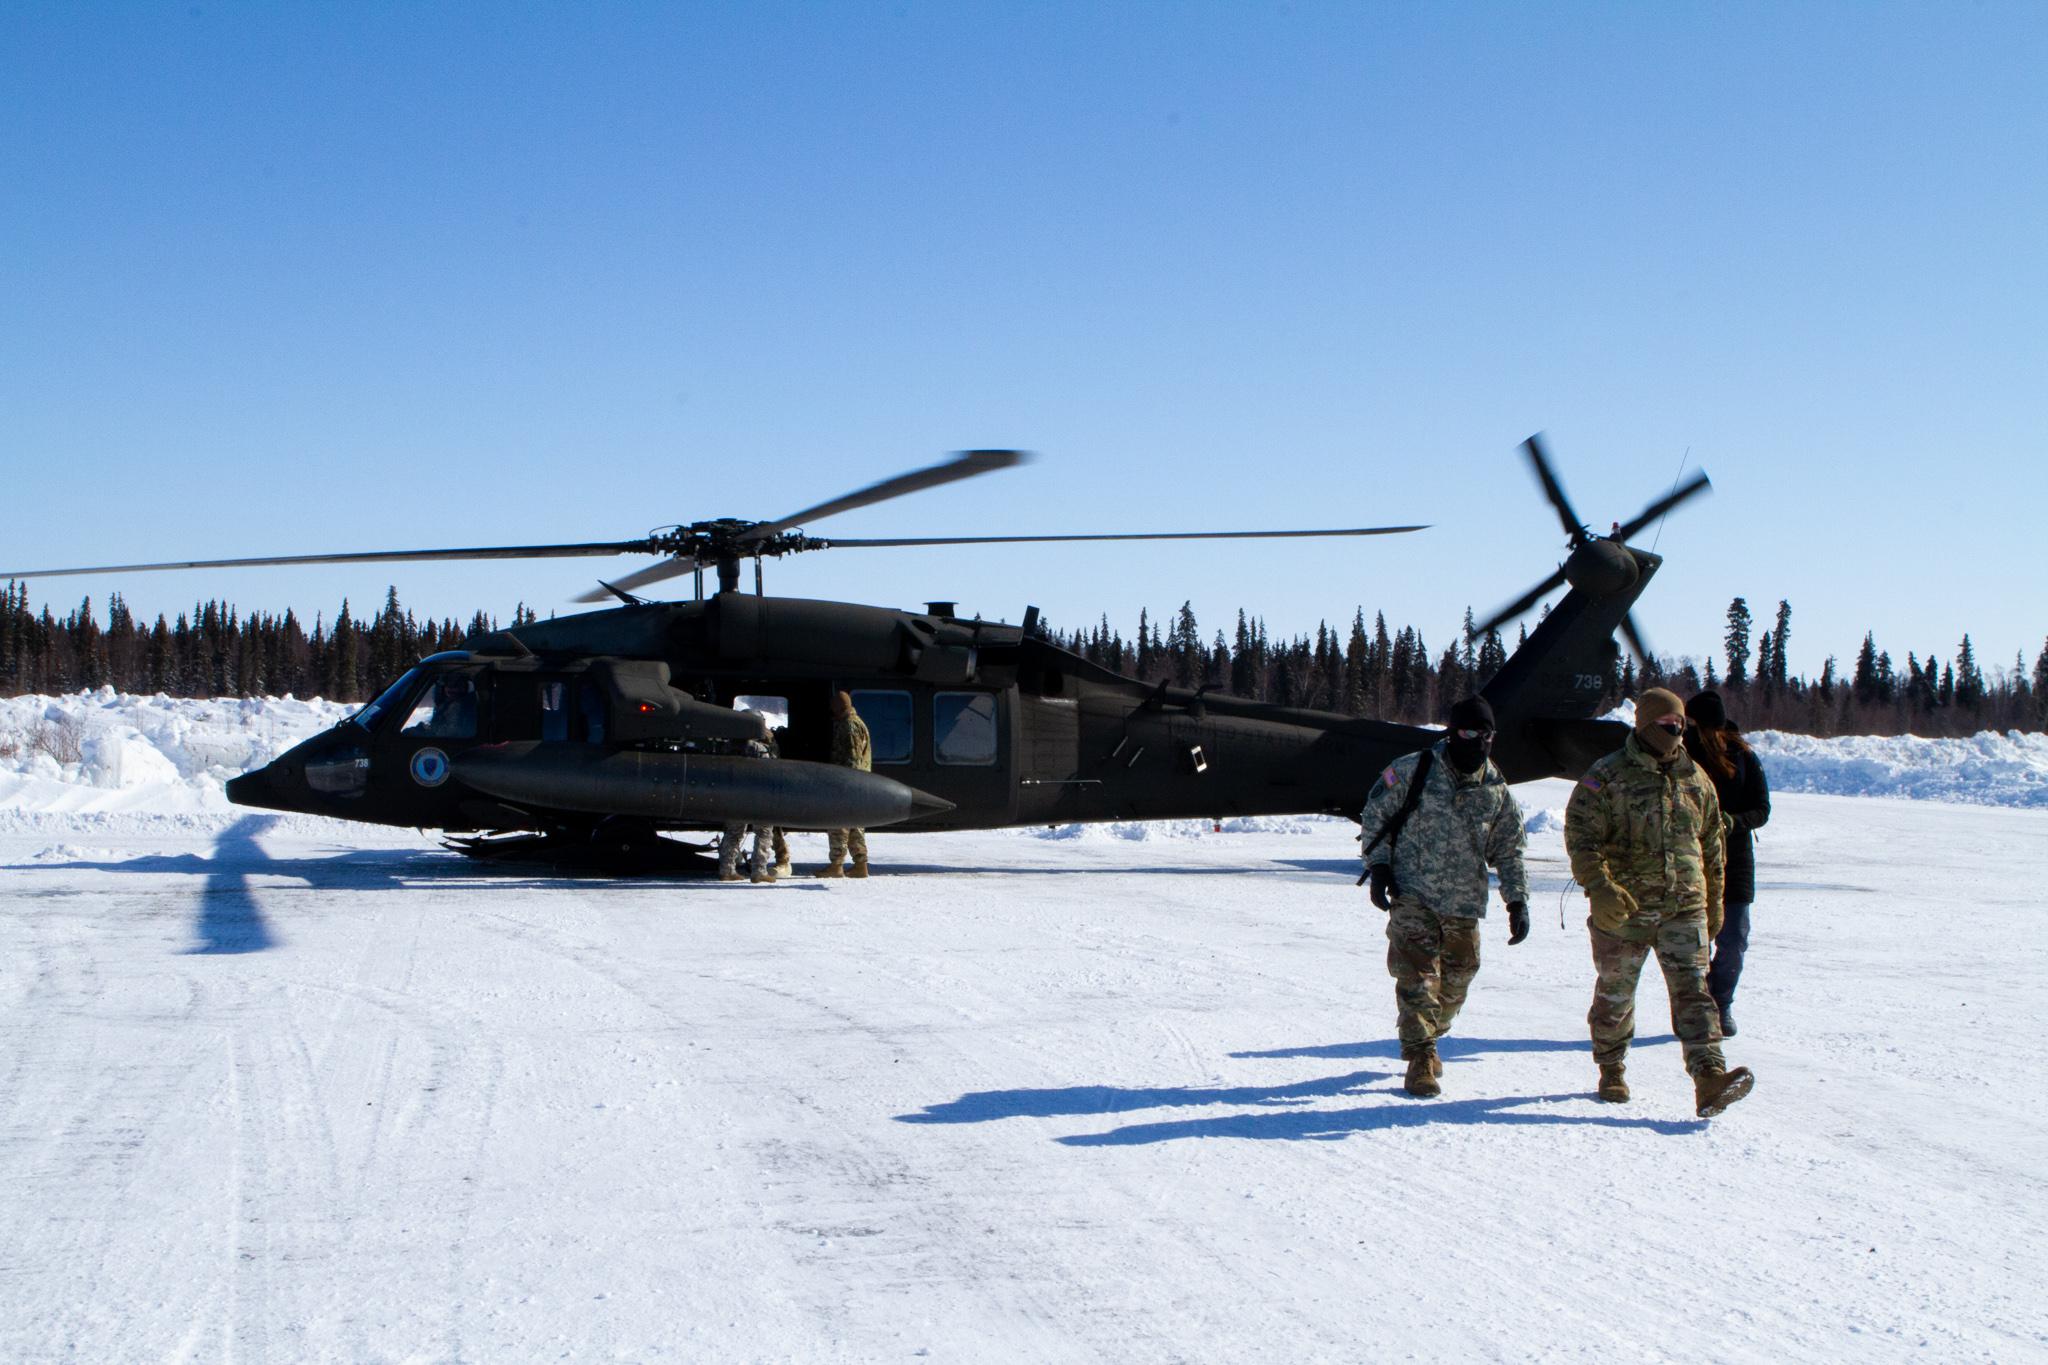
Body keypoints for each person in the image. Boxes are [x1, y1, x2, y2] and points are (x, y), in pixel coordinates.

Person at [1565, 687, 1754, 1117]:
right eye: (1669, 726)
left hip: (1683, 908)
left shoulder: (1695, 779)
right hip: (1625, 910)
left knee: (1694, 993)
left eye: (1682, 726)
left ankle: (1709, 1076)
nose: (1678, 733)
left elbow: (1711, 844)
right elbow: (1581, 835)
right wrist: (1600, 885)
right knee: (1616, 994)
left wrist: (1714, 902)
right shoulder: (1607, 775)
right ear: (1646, 726)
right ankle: (1611, 1066)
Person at [1359, 695, 1530, 1099]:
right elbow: (1375, 816)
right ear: (1453, 734)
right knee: (1416, 979)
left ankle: (1432, 1035)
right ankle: (1420, 1058)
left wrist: (1517, 900)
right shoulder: (1414, 769)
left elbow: (1509, 849)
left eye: (1487, 734)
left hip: (1464, 903)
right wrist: (1380, 867)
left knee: (1458, 981)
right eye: (1470, 732)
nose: (1479, 742)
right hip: (1413, 894)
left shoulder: (1496, 788)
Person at [1683, 690, 1771, 1037]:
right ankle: (1695, 1007)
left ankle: (1721, 1001)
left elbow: (1762, 808)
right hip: (1693, 857)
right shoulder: (1680, 752)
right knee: (1693, 939)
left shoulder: (1743, 754)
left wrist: (1732, 823)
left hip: (1735, 858)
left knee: (1734, 937)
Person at [717, 713, 775, 884]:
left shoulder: (728, 746)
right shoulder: (759, 748)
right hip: (758, 796)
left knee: (734, 833)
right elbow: (770, 770)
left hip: (735, 796)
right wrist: (770, 742)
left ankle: (726, 869)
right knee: (764, 832)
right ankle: (759, 871)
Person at [822, 691, 872, 878]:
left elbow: (852, 758)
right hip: (858, 784)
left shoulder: (849, 726)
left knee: (838, 823)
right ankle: (860, 865)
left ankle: (836, 865)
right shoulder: (855, 722)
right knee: (855, 824)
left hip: (847, 783)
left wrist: (844, 784)